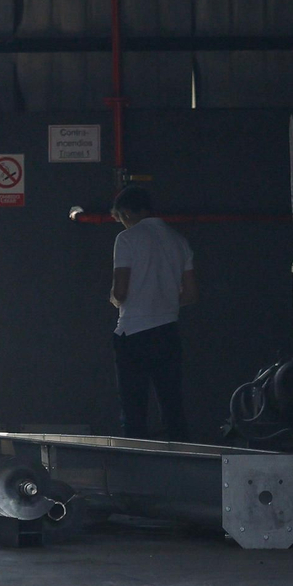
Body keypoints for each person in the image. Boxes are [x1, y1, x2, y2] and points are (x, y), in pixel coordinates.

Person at [109, 185, 197, 441]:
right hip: (168, 331)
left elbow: (121, 291)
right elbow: (191, 294)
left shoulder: (126, 239)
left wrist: (113, 298)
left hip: (133, 333)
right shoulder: (178, 240)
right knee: (172, 406)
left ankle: (135, 471)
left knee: (134, 410)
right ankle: (182, 464)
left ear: (125, 213)